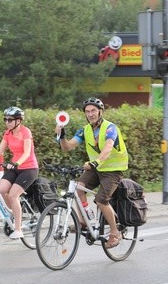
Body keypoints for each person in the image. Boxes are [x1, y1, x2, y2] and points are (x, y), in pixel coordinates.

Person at [54, 97, 128, 248]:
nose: (91, 114)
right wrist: (62, 135)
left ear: (100, 111)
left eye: (93, 110)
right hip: (97, 168)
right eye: (87, 111)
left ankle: (115, 233)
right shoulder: (85, 130)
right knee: (78, 187)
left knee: (101, 201)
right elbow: (67, 147)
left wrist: (95, 162)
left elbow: (107, 148)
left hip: (113, 170)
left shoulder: (110, 128)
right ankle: (84, 221)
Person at [0, 106, 39, 239]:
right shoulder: (7, 133)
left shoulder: (25, 131)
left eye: (10, 120)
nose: (7, 122)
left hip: (29, 168)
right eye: (5, 119)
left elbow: (27, 152)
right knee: (0, 190)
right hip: (14, 167)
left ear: (18, 120)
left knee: (12, 195)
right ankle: (15, 212)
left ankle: (18, 229)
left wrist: (17, 163)